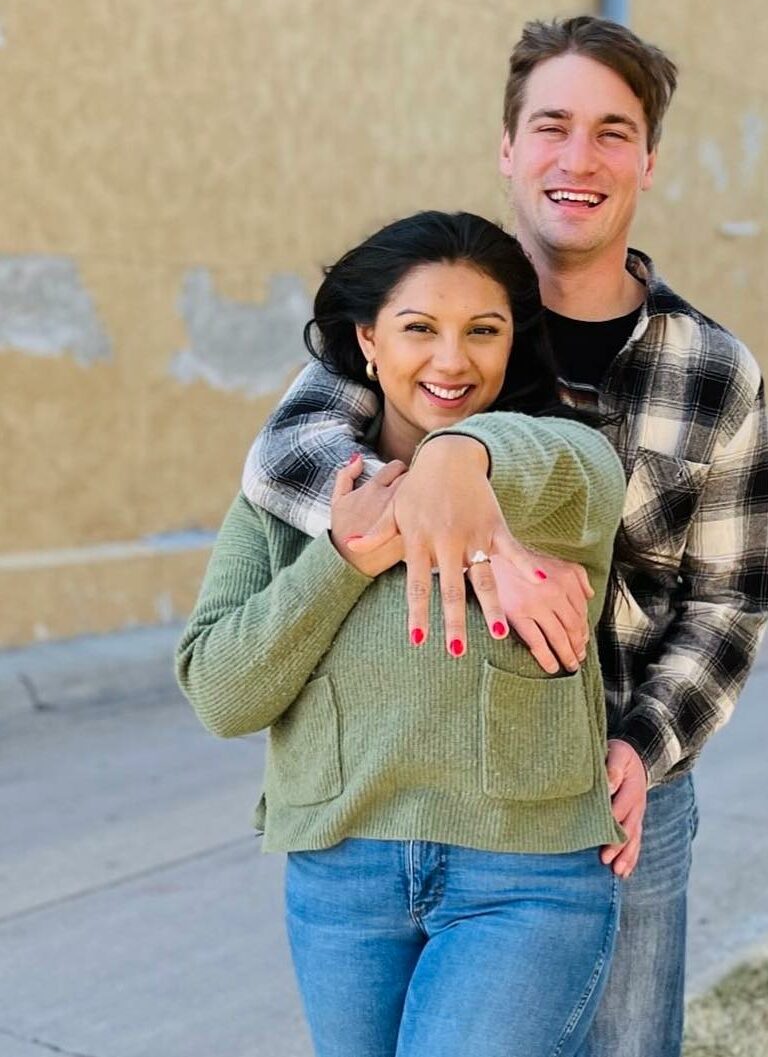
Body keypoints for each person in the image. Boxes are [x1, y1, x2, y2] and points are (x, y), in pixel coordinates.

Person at [241, 16, 768, 1057]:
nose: (577, 159)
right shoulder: (435, 308)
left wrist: (643, 743)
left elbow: (727, 597)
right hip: (440, 793)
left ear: (648, 160)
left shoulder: (712, 368)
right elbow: (288, 461)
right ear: (506, 146)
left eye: (611, 132)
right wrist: (476, 534)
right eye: (550, 125)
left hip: (627, 783)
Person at [177, 211, 632, 1057]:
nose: (452, 360)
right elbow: (220, 692)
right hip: (341, 877)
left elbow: (571, 467)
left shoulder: (558, 462)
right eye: (419, 328)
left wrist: (453, 457)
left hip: (523, 879)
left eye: (483, 331)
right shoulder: (285, 494)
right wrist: (344, 559)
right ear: (368, 341)